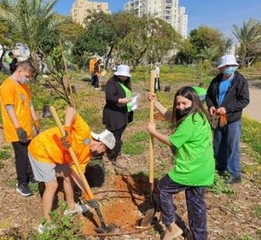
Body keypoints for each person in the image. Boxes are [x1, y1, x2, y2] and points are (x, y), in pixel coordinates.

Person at [27, 107, 115, 233]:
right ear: (101, 144)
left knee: (68, 175)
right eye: (105, 151)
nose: (102, 154)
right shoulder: (84, 131)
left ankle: (71, 207)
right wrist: (67, 130)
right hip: (41, 149)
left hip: (59, 156)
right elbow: (71, 110)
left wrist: (87, 194)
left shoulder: (86, 156)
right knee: (52, 185)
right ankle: (46, 223)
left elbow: (77, 175)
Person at [147, 86, 215, 240]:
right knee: (196, 202)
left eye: (184, 103)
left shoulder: (190, 122)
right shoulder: (198, 115)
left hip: (190, 169)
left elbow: (172, 142)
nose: (180, 107)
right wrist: (156, 103)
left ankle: (171, 226)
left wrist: (153, 132)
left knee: (163, 188)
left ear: (194, 101)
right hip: (204, 168)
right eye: (178, 104)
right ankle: (199, 236)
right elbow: (171, 116)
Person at [206, 54, 250, 184]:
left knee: (232, 145)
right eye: (227, 66)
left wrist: (227, 108)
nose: (229, 68)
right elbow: (208, 95)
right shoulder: (217, 80)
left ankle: (234, 174)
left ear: (235, 66)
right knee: (218, 143)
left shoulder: (240, 81)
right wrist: (211, 106)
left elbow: (245, 100)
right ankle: (220, 167)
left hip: (233, 119)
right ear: (222, 68)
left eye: (232, 66)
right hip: (219, 118)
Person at [0, 61, 40, 197]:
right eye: (27, 76)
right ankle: (21, 183)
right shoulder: (7, 86)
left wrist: (36, 121)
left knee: (29, 153)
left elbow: (30, 104)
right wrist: (18, 128)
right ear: (20, 71)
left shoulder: (23, 87)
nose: (28, 79)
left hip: (26, 128)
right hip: (16, 130)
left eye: (29, 78)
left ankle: (30, 176)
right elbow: (9, 108)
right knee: (21, 156)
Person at [103, 64, 133, 169]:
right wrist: (120, 100)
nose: (124, 77)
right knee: (115, 135)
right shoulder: (112, 83)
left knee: (119, 133)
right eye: (122, 75)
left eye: (125, 76)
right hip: (114, 113)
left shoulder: (124, 83)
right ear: (117, 74)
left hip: (122, 112)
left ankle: (117, 151)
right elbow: (109, 97)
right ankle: (113, 157)